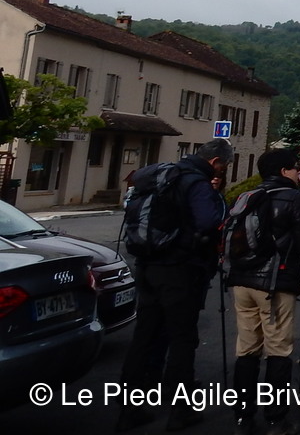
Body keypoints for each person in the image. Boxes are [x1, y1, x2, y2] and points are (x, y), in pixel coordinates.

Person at [116, 138, 231, 433]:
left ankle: (129, 409)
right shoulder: (196, 183)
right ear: (215, 162)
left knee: (143, 336)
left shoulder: (164, 175)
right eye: (224, 165)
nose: (222, 170)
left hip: (147, 265)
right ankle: (180, 410)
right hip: (179, 269)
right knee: (182, 338)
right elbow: (209, 222)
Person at [226, 148, 300, 435]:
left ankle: (243, 418)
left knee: (247, 350)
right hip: (275, 284)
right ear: (283, 171)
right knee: (278, 350)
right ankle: (276, 420)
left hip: (242, 281)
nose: (298, 172)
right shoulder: (294, 198)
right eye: (294, 168)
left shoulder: (246, 197)